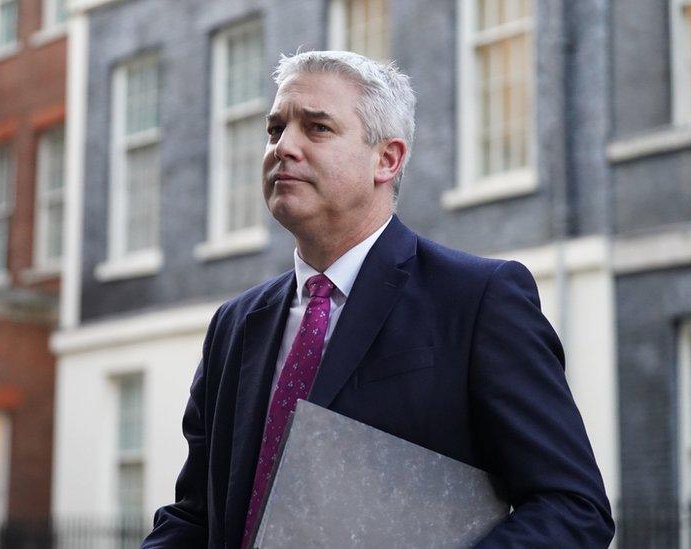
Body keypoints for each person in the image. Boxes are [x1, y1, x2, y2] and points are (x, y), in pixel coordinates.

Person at [142, 50, 613, 548]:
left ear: (386, 159)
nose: (284, 146)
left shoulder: (479, 300)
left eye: (317, 128)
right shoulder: (235, 324)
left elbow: (572, 508)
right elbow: (196, 517)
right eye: (275, 128)